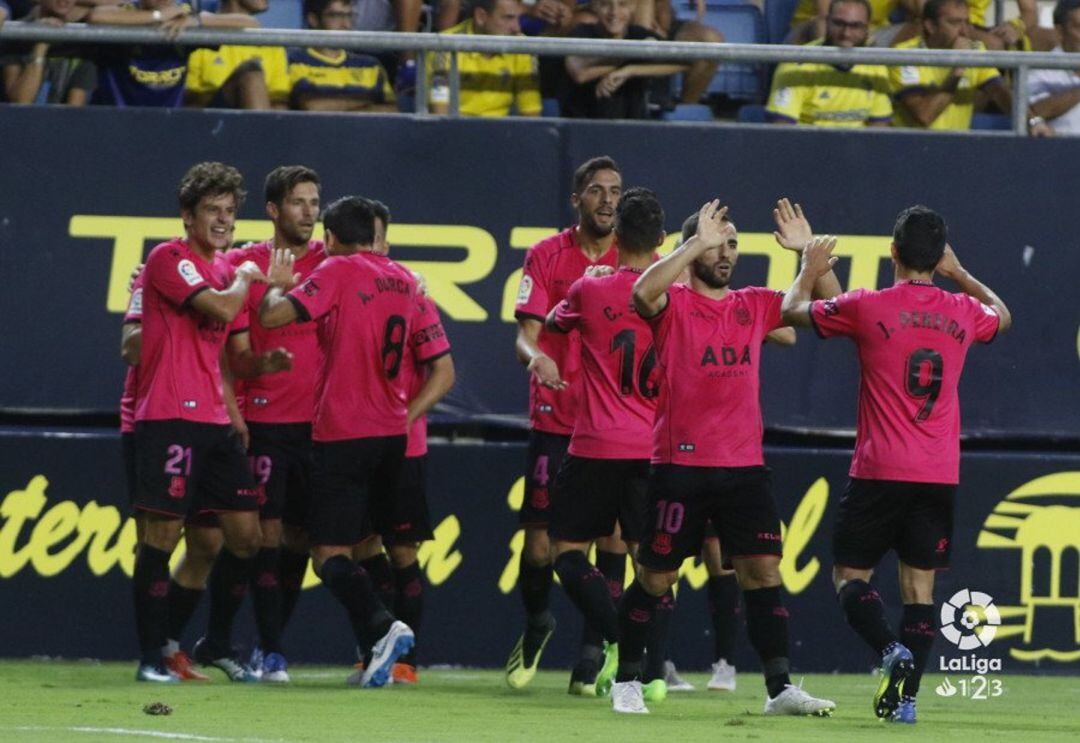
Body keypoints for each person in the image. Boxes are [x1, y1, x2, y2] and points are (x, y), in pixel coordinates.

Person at [607, 199, 839, 715]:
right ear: (694, 251)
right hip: (679, 467)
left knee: (763, 574)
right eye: (718, 243)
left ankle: (779, 689)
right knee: (654, 578)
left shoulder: (753, 303)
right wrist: (695, 242)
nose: (727, 252)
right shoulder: (674, 304)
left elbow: (833, 311)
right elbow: (641, 292)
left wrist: (808, 255)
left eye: (733, 243)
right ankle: (627, 679)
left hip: (744, 468)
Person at [780, 206, 1010, 724]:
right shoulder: (962, 312)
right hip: (937, 473)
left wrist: (807, 265)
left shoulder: (870, 306)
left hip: (879, 469)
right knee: (920, 591)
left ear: (892, 252)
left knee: (848, 578)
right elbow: (1003, 314)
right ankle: (904, 703)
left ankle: (890, 651)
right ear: (939, 256)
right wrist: (962, 274)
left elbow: (794, 309)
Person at [258, 196, 428, 687]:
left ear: (331, 238)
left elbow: (273, 318)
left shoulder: (336, 271)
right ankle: (379, 654)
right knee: (371, 545)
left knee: (328, 554)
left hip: (344, 432)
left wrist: (276, 287)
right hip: (393, 435)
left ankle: (382, 628)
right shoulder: (405, 280)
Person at [130, 162, 274, 683]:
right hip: (168, 414)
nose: (222, 220)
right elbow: (219, 304)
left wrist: (233, 409)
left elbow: (227, 353)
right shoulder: (170, 257)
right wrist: (244, 276)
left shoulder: (222, 267)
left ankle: (209, 641)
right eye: (212, 210)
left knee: (245, 535)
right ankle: (152, 658)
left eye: (230, 211)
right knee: (162, 536)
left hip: (214, 419)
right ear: (188, 215)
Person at [505, 156, 623, 691]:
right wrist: (537, 358)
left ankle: (594, 650)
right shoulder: (547, 255)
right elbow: (525, 333)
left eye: (615, 191)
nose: (607, 200)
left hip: (616, 422)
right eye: (596, 191)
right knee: (540, 548)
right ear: (577, 200)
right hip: (556, 418)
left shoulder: (637, 258)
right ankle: (537, 621)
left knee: (614, 541)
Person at [542, 187, 660, 699]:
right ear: (661, 239)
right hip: (653, 449)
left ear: (616, 236)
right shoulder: (673, 296)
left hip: (593, 446)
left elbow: (551, 323)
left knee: (567, 555)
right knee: (649, 568)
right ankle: (647, 667)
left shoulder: (590, 290)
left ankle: (617, 641)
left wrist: (590, 282)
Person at [216, 165, 328, 682]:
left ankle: (258, 644)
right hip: (264, 420)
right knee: (265, 533)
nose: (309, 212)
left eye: (314, 202)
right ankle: (273, 651)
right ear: (273, 210)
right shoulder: (243, 264)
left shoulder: (334, 263)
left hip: (321, 424)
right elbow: (221, 350)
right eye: (299, 202)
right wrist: (234, 410)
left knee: (302, 539)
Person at [356, 200, 456, 684]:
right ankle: (376, 649)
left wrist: (403, 417)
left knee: (401, 552)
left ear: (385, 244)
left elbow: (444, 371)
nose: (367, 249)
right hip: (353, 441)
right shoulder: (341, 287)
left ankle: (406, 662)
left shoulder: (413, 295)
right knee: (360, 548)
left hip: (402, 447)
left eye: (374, 239)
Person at [87, 0, 258, 108]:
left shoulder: (182, 15)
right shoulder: (129, 10)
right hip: (116, 120)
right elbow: (96, 16)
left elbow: (251, 23)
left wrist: (196, 22)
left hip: (168, 122)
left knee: (252, 71)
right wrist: (157, 16)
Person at [766, 0, 893, 127]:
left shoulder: (876, 67)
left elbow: (878, 130)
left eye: (855, 26)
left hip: (857, 145)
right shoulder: (795, 68)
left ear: (867, 29)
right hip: (806, 145)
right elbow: (782, 134)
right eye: (839, 24)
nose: (846, 34)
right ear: (827, 22)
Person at [889, 0, 1010, 130]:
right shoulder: (905, 56)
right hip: (913, 146)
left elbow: (999, 92)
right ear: (930, 26)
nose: (964, 32)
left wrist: (1031, 121)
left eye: (967, 22)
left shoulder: (975, 50)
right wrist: (958, 68)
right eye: (954, 23)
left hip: (957, 145)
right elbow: (924, 116)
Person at [562, 0, 688, 120]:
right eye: (606, 4)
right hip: (582, 126)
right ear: (595, 6)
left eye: (622, 4)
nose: (614, 13)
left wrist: (630, 70)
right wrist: (633, 54)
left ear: (632, 7)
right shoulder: (582, 32)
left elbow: (684, 62)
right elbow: (579, 73)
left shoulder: (638, 34)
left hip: (633, 127)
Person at [426, 0, 542, 116]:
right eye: (508, 18)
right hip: (456, 129)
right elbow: (440, 116)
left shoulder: (523, 48)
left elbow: (531, 114)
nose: (517, 28)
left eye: (519, 18)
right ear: (481, 17)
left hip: (502, 131)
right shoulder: (444, 48)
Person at [289, 0, 397, 112]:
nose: (346, 25)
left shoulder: (371, 65)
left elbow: (392, 111)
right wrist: (369, 100)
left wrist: (338, 105)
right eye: (336, 16)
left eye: (349, 16)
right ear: (313, 19)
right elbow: (314, 107)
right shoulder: (295, 61)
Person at [185, 0, 289, 110]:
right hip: (210, 118)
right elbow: (189, 100)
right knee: (251, 74)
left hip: (262, 120)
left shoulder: (272, 43)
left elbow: (280, 102)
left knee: (253, 73)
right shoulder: (198, 38)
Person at [1, 0, 97, 105]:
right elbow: (21, 101)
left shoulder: (82, 41)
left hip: (59, 119)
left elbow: (74, 113)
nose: (64, 1)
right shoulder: (16, 35)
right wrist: (41, 45)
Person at [1028, 0, 1080, 136]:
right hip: (1060, 151)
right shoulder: (1041, 69)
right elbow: (1035, 111)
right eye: (1079, 27)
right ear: (1060, 31)